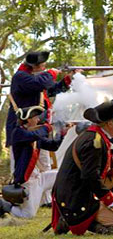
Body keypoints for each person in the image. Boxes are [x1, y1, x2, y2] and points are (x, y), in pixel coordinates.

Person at [51, 100, 113, 236]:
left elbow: (91, 164)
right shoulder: (94, 142)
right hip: (75, 196)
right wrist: (110, 200)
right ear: (109, 123)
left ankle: (105, 215)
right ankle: (85, 222)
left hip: (78, 190)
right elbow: (90, 176)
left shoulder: (96, 136)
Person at [5, 51, 73, 205]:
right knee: (20, 163)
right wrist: (51, 73)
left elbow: (51, 89)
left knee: (45, 162)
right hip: (22, 127)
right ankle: (18, 197)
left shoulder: (33, 80)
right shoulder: (20, 77)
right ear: (34, 66)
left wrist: (68, 80)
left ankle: (46, 200)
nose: (45, 67)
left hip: (39, 126)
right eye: (43, 65)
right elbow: (40, 83)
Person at [0, 105, 68, 218]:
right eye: (35, 117)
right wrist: (48, 127)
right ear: (28, 119)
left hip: (39, 177)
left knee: (65, 174)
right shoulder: (18, 132)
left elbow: (53, 146)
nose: (38, 120)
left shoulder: (34, 135)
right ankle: (4, 205)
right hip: (28, 181)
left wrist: (62, 133)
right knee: (28, 215)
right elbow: (33, 135)